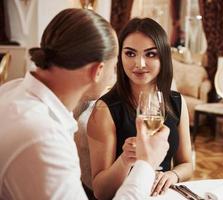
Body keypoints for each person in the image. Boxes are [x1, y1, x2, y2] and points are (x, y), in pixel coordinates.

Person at [0, 9, 169, 200]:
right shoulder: (45, 136)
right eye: (114, 67)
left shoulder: (10, 90)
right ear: (98, 70)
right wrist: (146, 163)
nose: (115, 76)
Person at [88, 17, 193, 200]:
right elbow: (101, 192)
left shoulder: (176, 102)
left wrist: (172, 175)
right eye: (130, 53)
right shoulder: (105, 110)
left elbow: (187, 164)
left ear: (163, 57)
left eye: (150, 54)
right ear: (119, 57)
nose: (139, 63)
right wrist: (125, 160)